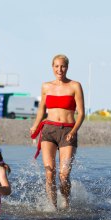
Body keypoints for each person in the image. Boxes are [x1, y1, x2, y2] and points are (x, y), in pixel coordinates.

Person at [29, 54, 85, 209]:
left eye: (63, 66)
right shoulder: (46, 86)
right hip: (49, 130)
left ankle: (66, 203)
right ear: (52, 67)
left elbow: (81, 113)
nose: (59, 69)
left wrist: (74, 131)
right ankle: (53, 207)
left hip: (68, 131)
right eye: (56, 66)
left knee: (64, 174)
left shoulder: (75, 86)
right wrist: (35, 125)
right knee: (49, 172)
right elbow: (41, 109)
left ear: (67, 67)